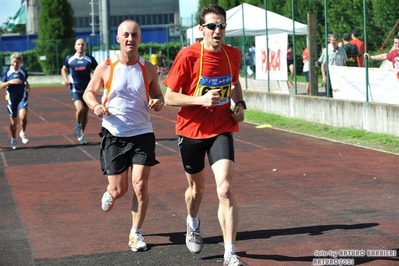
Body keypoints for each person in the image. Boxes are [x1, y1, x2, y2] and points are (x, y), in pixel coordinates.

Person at [163, 4, 247, 266]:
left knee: (225, 188)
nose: (217, 30)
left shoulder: (232, 55)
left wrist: (240, 104)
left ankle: (229, 252)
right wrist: (199, 100)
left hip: (221, 127)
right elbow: (169, 97)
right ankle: (192, 222)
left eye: (222, 25)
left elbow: (234, 83)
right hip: (191, 130)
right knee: (196, 190)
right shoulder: (188, 56)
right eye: (212, 26)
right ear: (201, 30)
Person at [83, 19, 164, 253]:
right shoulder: (107, 67)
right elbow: (89, 92)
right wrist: (95, 105)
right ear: (118, 39)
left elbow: (158, 96)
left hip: (142, 133)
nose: (130, 39)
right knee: (120, 190)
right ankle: (111, 192)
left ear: (140, 39)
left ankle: (135, 233)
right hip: (114, 134)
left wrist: (157, 102)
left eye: (135, 35)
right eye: (126, 35)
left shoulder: (148, 68)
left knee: (140, 184)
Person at [61, 38, 98, 145]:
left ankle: (81, 133)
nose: (80, 46)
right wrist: (66, 79)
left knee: (85, 113)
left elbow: (97, 70)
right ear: (75, 46)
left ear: (85, 46)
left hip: (87, 89)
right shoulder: (70, 59)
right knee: (80, 109)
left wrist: (94, 76)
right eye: (78, 44)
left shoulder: (90, 59)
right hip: (75, 88)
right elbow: (64, 69)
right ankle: (78, 125)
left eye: (82, 44)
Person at [1, 52, 30, 149]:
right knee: (13, 121)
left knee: (23, 115)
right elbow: (1, 85)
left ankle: (23, 132)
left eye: (17, 62)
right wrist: (10, 82)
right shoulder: (7, 72)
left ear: (20, 62)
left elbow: (25, 80)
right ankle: (14, 138)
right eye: (13, 62)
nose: (15, 64)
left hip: (22, 96)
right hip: (11, 98)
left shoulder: (23, 71)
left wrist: (27, 85)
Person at [319, 33, 347, 97]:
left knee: (339, 92)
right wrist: (324, 76)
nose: (332, 42)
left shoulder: (342, 50)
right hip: (329, 73)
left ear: (338, 41)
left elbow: (344, 63)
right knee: (329, 93)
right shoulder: (326, 50)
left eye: (334, 40)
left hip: (339, 73)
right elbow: (323, 64)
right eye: (331, 40)